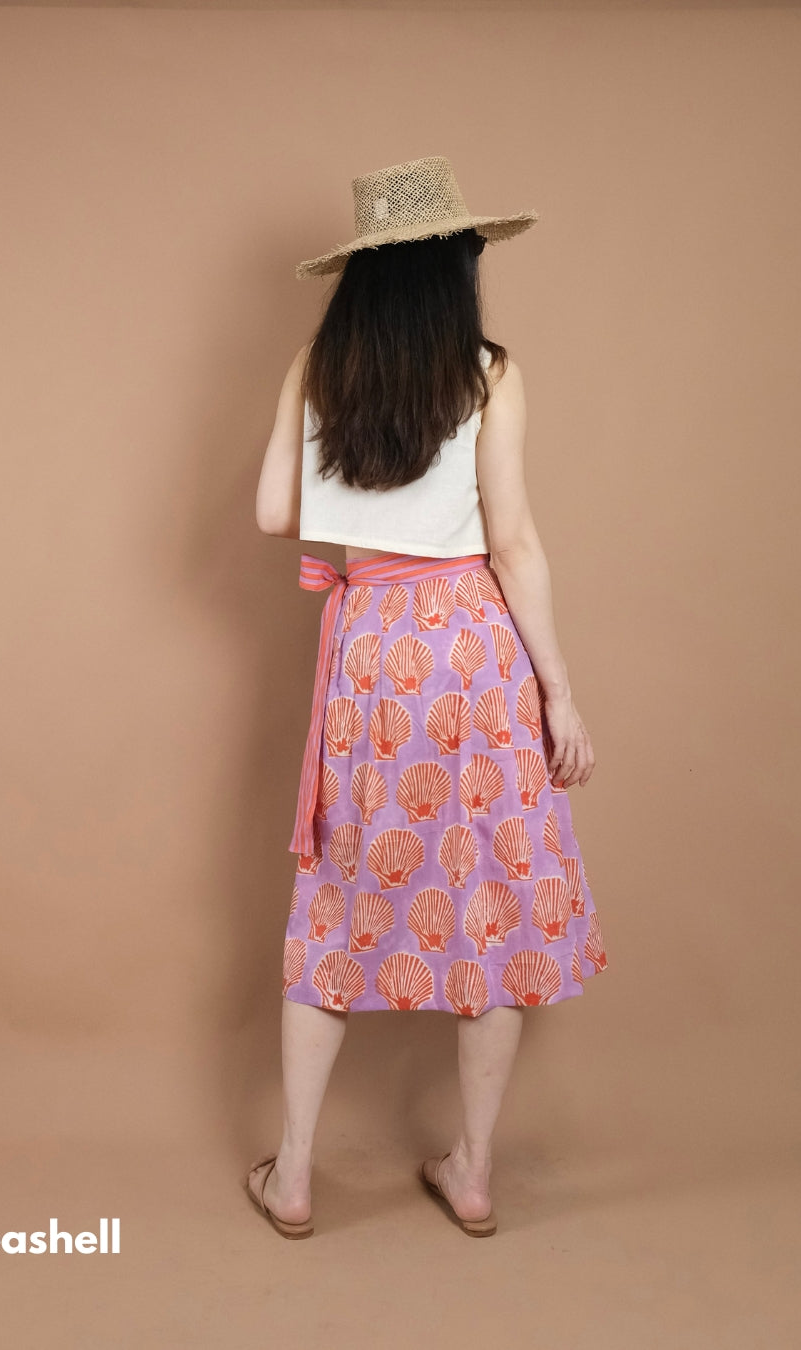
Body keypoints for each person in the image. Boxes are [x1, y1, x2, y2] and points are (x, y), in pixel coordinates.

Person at [247, 156, 608, 1240]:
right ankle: (474, 1173)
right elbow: (515, 542)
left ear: (362, 272)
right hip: (473, 648)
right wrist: (559, 694)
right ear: (455, 265)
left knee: (338, 895)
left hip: (369, 649)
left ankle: (295, 1175)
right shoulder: (490, 372)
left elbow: (273, 513)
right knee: (486, 895)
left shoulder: (318, 364)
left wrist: (358, 504)